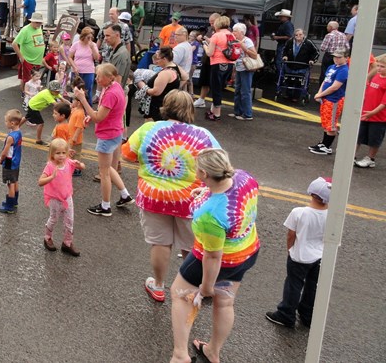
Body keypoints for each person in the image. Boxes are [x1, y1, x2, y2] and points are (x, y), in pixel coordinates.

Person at [122, 90, 221, 302]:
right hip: (190, 200)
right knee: (191, 247)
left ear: (165, 106)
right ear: (190, 110)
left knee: (160, 243)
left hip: (153, 197)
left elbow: (127, 154)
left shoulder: (148, 129)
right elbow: (219, 165)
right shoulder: (203, 135)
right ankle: (191, 289)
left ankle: (158, 286)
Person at [169, 148, 260, 363]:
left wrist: (207, 286)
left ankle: (180, 354)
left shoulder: (208, 216)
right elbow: (230, 196)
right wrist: (206, 192)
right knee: (225, 303)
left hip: (218, 260)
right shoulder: (244, 177)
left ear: (204, 174)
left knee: (180, 296)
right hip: (246, 252)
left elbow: (212, 256)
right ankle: (213, 352)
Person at [266, 177, 330, 329]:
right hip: (319, 256)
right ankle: (307, 314)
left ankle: (286, 314)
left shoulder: (299, 212)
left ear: (312, 193)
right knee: (312, 285)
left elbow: (291, 234)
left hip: (299, 256)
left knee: (293, 284)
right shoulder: (331, 215)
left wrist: (290, 249)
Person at [73, 64, 133, 216]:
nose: (97, 79)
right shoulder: (116, 87)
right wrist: (91, 114)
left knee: (104, 172)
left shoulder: (111, 93)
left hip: (107, 134)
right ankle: (125, 195)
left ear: (110, 77)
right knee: (109, 168)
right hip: (115, 131)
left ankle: (105, 206)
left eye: (100, 76)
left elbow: (98, 118)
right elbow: (103, 113)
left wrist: (82, 98)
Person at [39, 138, 86, 256]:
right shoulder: (50, 166)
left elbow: (82, 167)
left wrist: (79, 164)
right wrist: (51, 177)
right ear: (52, 154)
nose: (61, 156)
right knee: (53, 219)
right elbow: (40, 181)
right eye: (58, 153)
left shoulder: (68, 162)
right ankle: (47, 237)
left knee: (70, 221)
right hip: (55, 199)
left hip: (67, 198)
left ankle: (67, 243)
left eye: (63, 153)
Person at [309, 49, 349, 155]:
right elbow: (325, 81)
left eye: (339, 57)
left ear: (346, 58)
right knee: (326, 122)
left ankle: (327, 146)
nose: (336, 59)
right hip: (326, 98)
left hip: (334, 100)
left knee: (331, 124)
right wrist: (319, 93)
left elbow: (335, 87)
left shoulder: (344, 70)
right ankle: (324, 143)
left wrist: (320, 94)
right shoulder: (332, 67)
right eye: (335, 57)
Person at [136, 46, 187, 122]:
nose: (156, 62)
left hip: (157, 108)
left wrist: (142, 85)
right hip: (167, 104)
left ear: (164, 59)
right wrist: (174, 90)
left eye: (158, 59)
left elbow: (156, 92)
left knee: (151, 130)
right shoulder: (175, 67)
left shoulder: (165, 73)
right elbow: (185, 77)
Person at [354, 54, 386, 168]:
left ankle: (370, 158)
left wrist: (372, 112)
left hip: (379, 117)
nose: (379, 68)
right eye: (378, 66)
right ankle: (352, 154)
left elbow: (384, 103)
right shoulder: (376, 76)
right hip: (365, 113)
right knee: (358, 135)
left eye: (382, 66)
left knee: (374, 139)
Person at [202, 15, 234, 121]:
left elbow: (210, 53)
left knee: (215, 88)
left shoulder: (216, 35)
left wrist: (205, 46)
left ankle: (216, 114)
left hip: (217, 64)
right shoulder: (231, 35)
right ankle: (214, 110)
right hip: (229, 64)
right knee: (220, 88)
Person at [230, 23, 260, 121]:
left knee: (245, 91)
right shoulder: (235, 40)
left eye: (235, 31)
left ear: (242, 32)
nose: (233, 32)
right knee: (237, 90)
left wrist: (244, 48)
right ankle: (237, 112)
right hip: (239, 68)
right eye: (233, 30)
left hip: (246, 69)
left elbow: (255, 55)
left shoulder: (247, 41)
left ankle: (247, 114)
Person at [0, 109, 24, 214]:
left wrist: (0, 159)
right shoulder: (18, 132)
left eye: (6, 121)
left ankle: (10, 206)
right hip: (16, 162)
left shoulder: (11, 137)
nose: (5, 123)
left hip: (9, 162)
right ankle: (14, 201)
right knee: (15, 181)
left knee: (10, 184)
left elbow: (5, 152)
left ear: (12, 123)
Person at [24, 80, 68, 145]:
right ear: (50, 90)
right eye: (56, 91)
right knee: (41, 123)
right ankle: (38, 140)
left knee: (27, 117)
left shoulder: (55, 93)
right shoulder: (47, 94)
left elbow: (63, 100)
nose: (57, 92)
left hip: (34, 105)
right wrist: (67, 109)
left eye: (58, 91)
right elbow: (56, 105)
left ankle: (16, 127)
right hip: (34, 107)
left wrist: (71, 105)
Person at [193, 13, 220, 108]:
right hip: (207, 59)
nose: (211, 25)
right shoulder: (210, 30)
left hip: (216, 60)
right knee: (204, 80)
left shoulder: (222, 32)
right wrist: (201, 39)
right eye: (210, 23)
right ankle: (201, 99)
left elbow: (215, 44)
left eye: (213, 23)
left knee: (215, 83)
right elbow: (207, 42)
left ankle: (216, 103)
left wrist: (205, 38)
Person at [67, 27, 100, 105]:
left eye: (91, 38)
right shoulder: (76, 44)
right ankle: (73, 108)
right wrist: (74, 67)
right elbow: (70, 57)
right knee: (75, 90)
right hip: (76, 71)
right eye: (88, 37)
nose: (89, 39)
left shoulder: (93, 45)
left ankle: (88, 110)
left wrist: (92, 48)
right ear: (83, 36)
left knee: (87, 90)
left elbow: (96, 58)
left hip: (89, 71)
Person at [12, 12, 46, 88]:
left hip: (37, 60)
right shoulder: (25, 30)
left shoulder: (39, 28)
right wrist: (21, 57)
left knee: (34, 78)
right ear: (32, 21)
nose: (39, 24)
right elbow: (14, 44)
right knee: (27, 80)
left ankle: (30, 93)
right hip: (28, 60)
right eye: (37, 22)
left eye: (40, 23)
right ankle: (24, 93)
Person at [271, 8, 295, 73]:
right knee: (278, 62)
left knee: (279, 62)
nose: (280, 18)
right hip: (282, 45)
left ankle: (281, 78)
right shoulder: (283, 24)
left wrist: (277, 37)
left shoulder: (288, 25)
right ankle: (280, 77)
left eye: (281, 16)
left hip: (284, 46)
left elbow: (289, 36)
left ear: (286, 17)